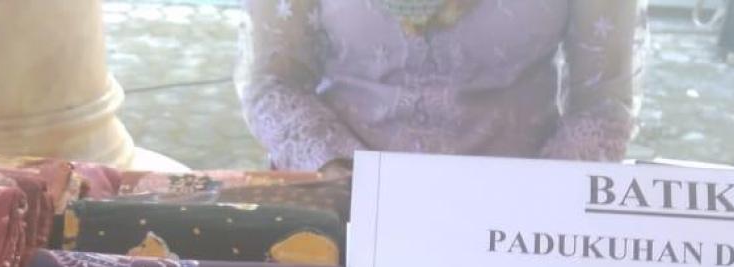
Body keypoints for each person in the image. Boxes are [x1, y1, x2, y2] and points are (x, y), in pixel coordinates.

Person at [236, 0, 644, 174]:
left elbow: (603, 104)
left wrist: (539, 206)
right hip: (340, 202)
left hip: (519, 226)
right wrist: (341, 175)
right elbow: (274, 83)